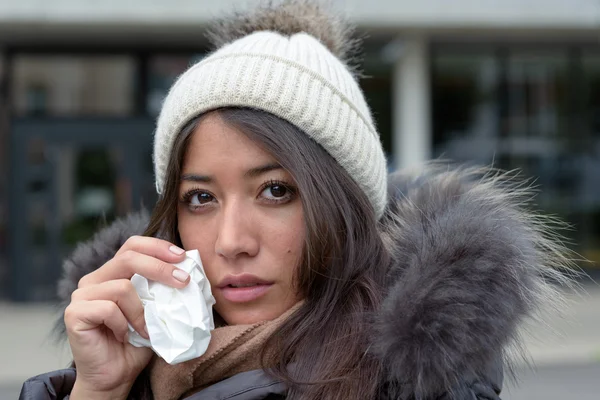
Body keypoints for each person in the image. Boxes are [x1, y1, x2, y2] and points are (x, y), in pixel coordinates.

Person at [20, 1, 572, 399]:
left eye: (276, 191)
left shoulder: (414, 384)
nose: (233, 241)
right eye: (200, 197)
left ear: (347, 207)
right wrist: (99, 390)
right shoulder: (138, 359)